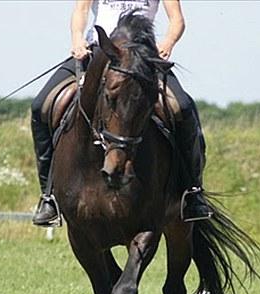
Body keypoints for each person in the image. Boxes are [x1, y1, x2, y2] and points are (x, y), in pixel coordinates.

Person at [31, 0, 212, 226]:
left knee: (183, 107)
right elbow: (81, 10)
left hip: (141, 57)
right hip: (98, 53)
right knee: (40, 106)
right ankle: (49, 197)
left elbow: (177, 20)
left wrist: (168, 42)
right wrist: (77, 38)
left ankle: (193, 193)